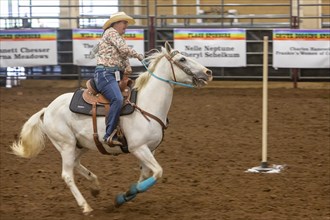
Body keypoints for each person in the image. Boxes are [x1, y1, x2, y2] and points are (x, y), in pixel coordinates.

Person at [93, 12, 144, 147]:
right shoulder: (111, 33)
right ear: (116, 23)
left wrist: (127, 67)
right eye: (124, 22)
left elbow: (123, 55)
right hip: (105, 74)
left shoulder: (117, 36)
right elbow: (124, 49)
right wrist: (138, 55)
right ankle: (109, 134)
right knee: (118, 99)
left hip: (112, 74)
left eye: (127, 23)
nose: (126, 25)